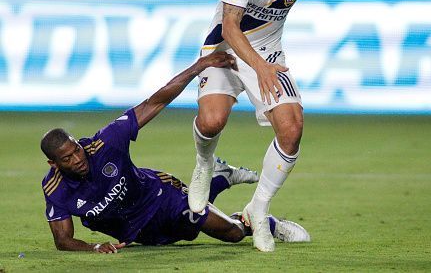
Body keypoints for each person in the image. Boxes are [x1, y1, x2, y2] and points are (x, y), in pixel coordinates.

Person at [40, 51, 310, 253]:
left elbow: (154, 102)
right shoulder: (55, 189)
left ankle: (263, 221)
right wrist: (95, 247)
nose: (77, 159)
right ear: (54, 164)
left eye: (76, 150)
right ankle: (219, 175)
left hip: (161, 197)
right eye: (67, 158)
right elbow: (62, 240)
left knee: (233, 234)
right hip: (137, 233)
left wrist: (197, 67)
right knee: (184, 232)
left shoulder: (106, 143)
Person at [188, 0, 317, 253]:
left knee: (291, 130)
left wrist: (264, 63)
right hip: (224, 48)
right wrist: (257, 67)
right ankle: (205, 165)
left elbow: (271, 20)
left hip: (269, 55)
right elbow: (230, 25)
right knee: (212, 121)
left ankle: (258, 209)